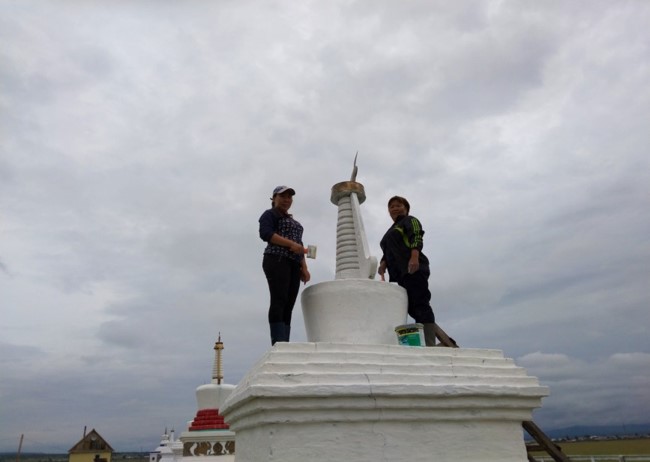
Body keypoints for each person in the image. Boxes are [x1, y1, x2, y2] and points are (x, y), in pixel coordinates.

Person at [378, 195, 437, 346]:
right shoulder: (390, 230)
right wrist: (383, 263)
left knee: (420, 303)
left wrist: (414, 256)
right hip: (398, 275)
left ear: (406, 208)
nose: (395, 208)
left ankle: (429, 343)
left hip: (413, 268)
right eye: (391, 206)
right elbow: (388, 249)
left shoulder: (410, 221)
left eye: (399, 205)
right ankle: (420, 339)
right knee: (408, 306)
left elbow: (416, 236)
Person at [258, 185, 311, 345]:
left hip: (294, 263)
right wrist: (290, 244)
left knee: (289, 303)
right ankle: (278, 342)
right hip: (276, 259)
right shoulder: (269, 214)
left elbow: (299, 244)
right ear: (274, 198)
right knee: (279, 299)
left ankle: (284, 343)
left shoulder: (293, 221)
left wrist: (304, 267)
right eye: (282, 196)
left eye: (289, 197)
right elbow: (265, 234)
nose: (286, 200)